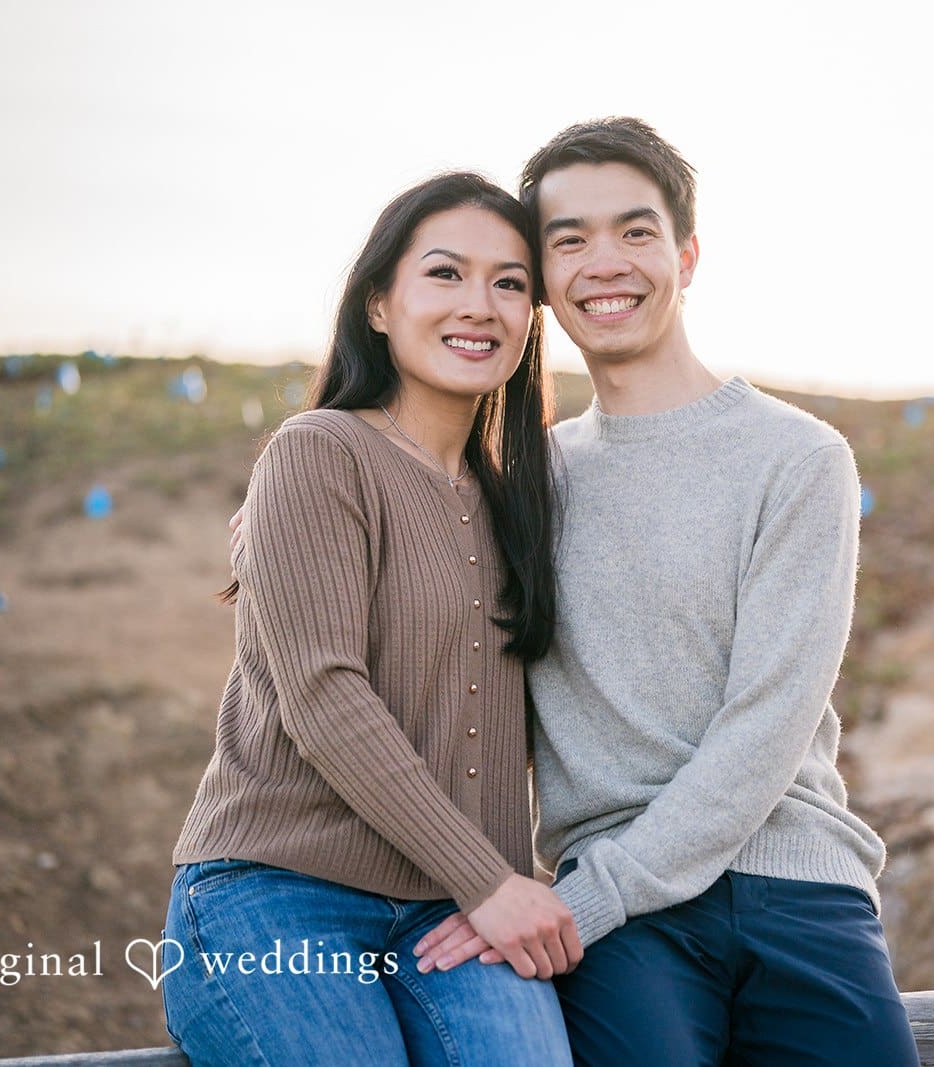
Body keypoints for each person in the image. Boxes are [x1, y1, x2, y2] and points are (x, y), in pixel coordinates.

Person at [411, 119, 922, 1065]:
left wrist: (586, 897)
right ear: (540, 283)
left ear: (686, 255)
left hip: (794, 885)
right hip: (626, 924)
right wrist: (281, 513)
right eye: (569, 240)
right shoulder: (517, 483)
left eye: (635, 231)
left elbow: (768, 724)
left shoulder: (799, 458)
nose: (606, 262)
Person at [163, 172, 579, 1067]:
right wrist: (492, 882)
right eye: (445, 274)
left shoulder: (521, 506)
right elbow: (324, 695)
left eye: (510, 283)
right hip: (277, 890)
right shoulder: (319, 452)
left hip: (454, 913)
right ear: (380, 305)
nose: (482, 305)